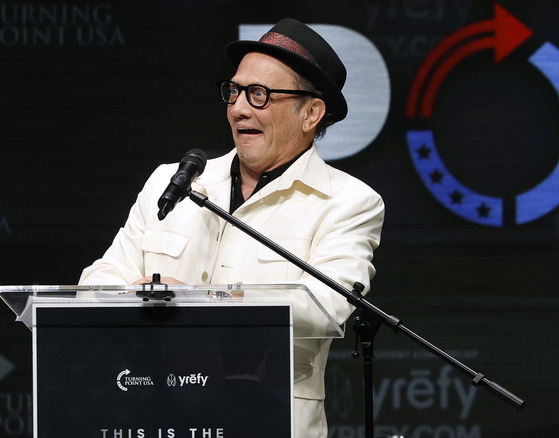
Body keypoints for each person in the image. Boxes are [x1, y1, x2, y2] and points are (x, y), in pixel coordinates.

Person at [79, 18, 384, 437]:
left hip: (270, 419)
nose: (239, 108)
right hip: (156, 413)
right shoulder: (177, 181)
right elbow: (97, 280)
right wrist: (142, 294)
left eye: (260, 95)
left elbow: (323, 308)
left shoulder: (348, 202)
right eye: (235, 91)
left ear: (311, 113)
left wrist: (193, 304)